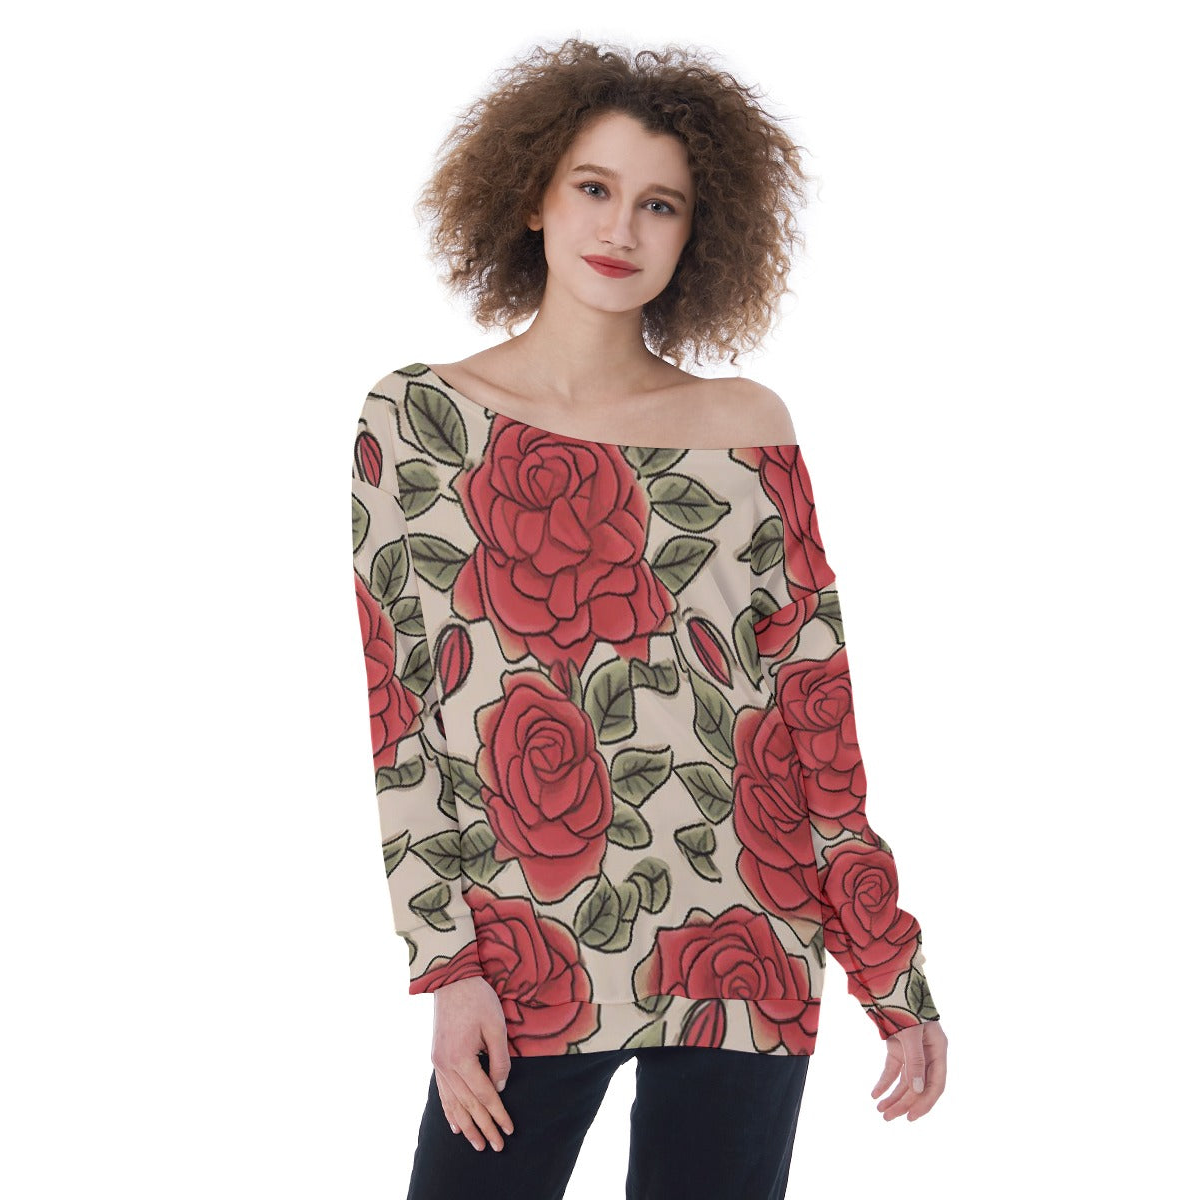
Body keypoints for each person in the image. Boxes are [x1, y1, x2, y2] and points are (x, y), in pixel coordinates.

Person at [351, 37, 948, 1200]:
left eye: (659, 204)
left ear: (695, 233)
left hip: (749, 947)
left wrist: (892, 972)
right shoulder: (417, 418)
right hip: (526, 958)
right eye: (594, 187)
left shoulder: (747, 425)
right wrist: (447, 967)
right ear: (533, 195)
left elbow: (814, 722)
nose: (620, 228)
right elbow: (404, 716)